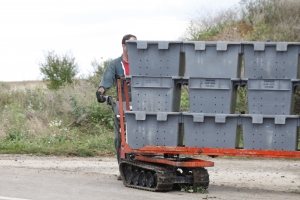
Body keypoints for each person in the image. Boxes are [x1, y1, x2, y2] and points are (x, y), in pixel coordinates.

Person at [96, 34, 137, 180]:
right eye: (130, 44)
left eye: (136, 44)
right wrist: (101, 92)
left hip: (142, 104)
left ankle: (141, 165)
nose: (133, 47)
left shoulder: (142, 63)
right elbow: (106, 82)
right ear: (124, 46)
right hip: (123, 104)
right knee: (120, 138)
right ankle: (123, 167)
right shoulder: (115, 64)